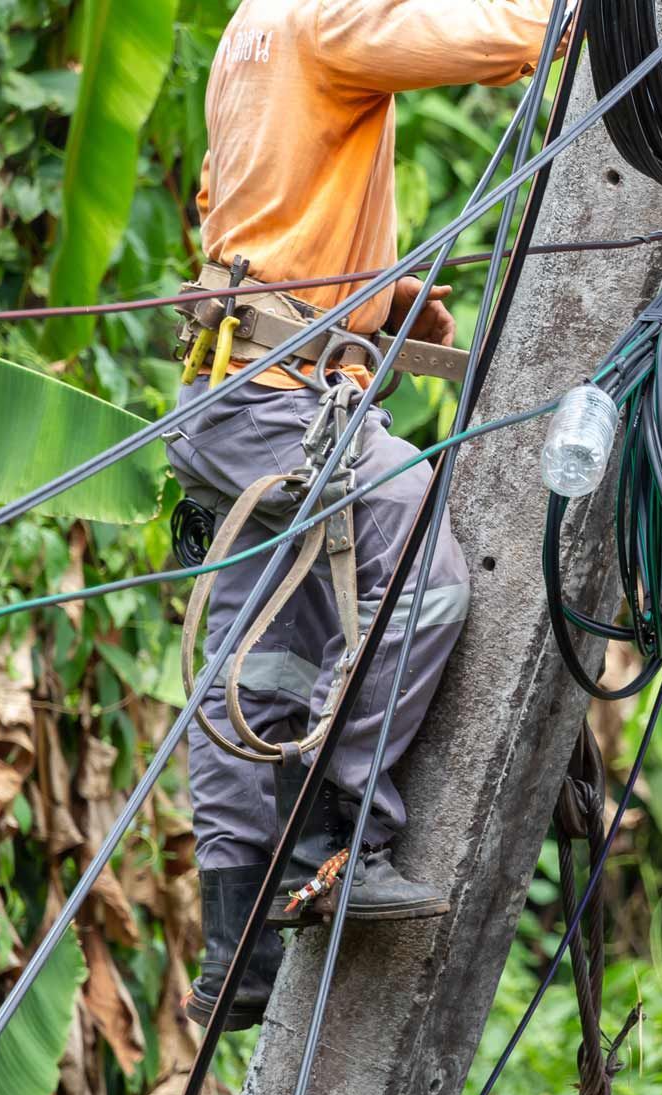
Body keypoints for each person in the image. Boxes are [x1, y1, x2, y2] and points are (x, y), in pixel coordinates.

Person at [176, 0, 564, 1031]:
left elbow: (246, 207)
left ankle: (237, 951)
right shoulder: (325, 14)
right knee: (423, 574)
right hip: (279, 397)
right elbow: (503, 35)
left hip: (238, 388)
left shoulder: (252, 28)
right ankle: (337, 843)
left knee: (257, 656)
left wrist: (379, 306)